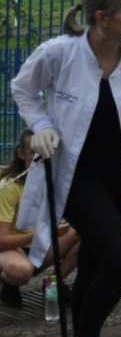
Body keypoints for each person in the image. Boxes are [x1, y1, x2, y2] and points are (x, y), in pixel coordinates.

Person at [11, 0, 121, 337]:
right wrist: (39, 124)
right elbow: (23, 89)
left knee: (95, 258)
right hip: (75, 172)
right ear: (102, 18)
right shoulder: (60, 52)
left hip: (119, 174)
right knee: (119, 260)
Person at [0, 129, 79, 306]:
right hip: (14, 247)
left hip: (39, 244)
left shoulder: (54, 181)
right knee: (21, 271)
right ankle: (7, 282)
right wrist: (42, 234)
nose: (41, 158)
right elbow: (1, 240)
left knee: (88, 232)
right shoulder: (9, 186)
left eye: (46, 152)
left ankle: (54, 282)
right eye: (34, 152)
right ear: (20, 153)